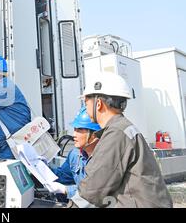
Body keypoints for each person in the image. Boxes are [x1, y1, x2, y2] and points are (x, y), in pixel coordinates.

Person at [71, 72, 173, 208]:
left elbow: (92, 190)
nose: (85, 107)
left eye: (86, 102)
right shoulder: (123, 128)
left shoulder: (116, 133)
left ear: (99, 104)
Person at [44, 107, 101, 200]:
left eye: (79, 130)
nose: (74, 134)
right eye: (74, 129)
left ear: (94, 134)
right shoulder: (75, 154)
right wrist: (43, 169)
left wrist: (65, 189)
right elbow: (62, 176)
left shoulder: (106, 158)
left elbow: (96, 191)